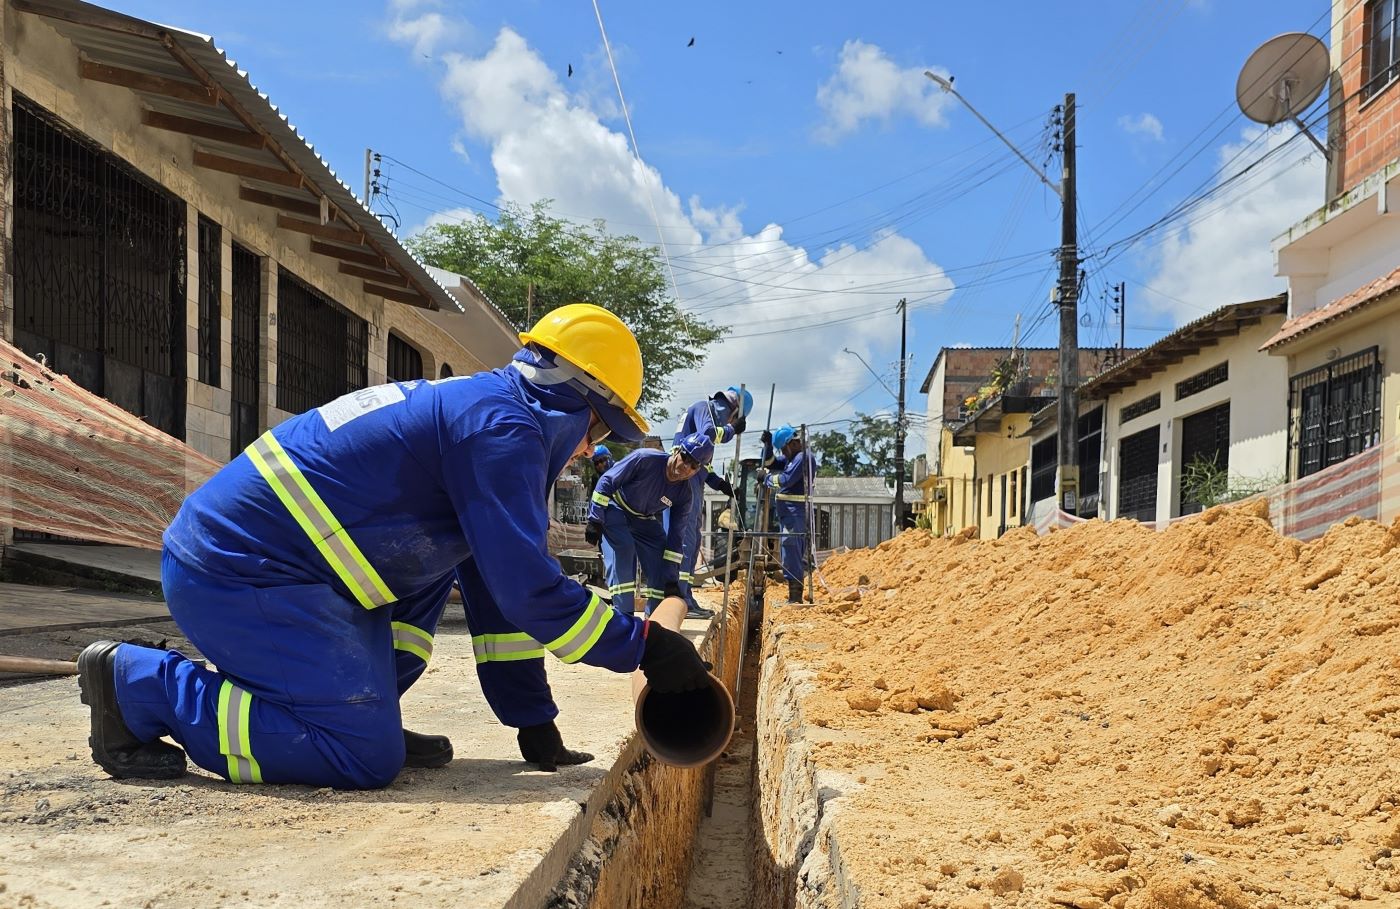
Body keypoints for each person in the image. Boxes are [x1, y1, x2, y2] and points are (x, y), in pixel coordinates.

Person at [76, 303, 713, 788]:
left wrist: (533, 722)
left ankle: (364, 702)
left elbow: (500, 592)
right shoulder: (503, 431)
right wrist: (644, 648)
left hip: (279, 568)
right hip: (240, 570)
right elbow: (529, 590)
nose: (586, 450)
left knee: (440, 566)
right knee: (361, 755)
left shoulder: (491, 412)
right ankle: (140, 685)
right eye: (597, 429)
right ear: (575, 400)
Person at [585, 432, 710, 617]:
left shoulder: (684, 495)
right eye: (685, 458)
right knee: (624, 550)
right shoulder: (645, 459)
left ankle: (655, 623)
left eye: (693, 466)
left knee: (660, 559)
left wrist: (671, 577)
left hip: (643, 518)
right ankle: (624, 619)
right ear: (677, 451)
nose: (686, 467)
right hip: (616, 507)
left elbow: (676, 538)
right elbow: (607, 481)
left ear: (697, 470)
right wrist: (595, 520)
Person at [671, 386, 750, 618]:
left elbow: (703, 466)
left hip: (691, 479)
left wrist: (719, 483)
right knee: (686, 542)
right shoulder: (704, 409)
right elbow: (708, 433)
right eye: (732, 418)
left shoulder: (700, 417)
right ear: (733, 411)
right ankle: (680, 598)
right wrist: (731, 430)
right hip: (685, 479)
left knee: (692, 542)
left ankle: (685, 595)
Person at [759, 424, 814, 604]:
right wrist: (767, 447)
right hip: (788, 514)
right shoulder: (792, 458)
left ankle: (795, 598)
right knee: (788, 552)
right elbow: (772, 464)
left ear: (792, 443)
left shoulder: (803, 458)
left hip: (795, 513)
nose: (783, 452)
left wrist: (766, 479)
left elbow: (785, 480)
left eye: (784, 448)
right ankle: (793, 596)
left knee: (791, 552)